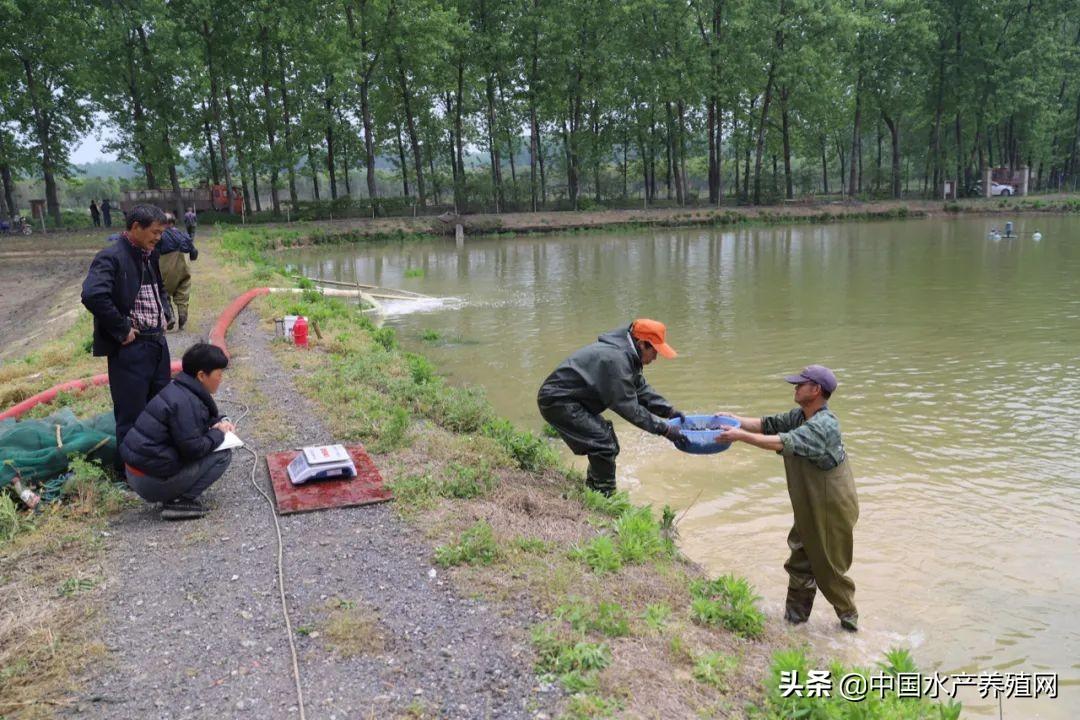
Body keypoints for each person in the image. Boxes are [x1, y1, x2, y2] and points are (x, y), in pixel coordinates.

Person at [715, 364, 860, 632]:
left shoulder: (824, 426)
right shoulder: (800, 416)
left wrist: (740, 436)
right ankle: (795, 624)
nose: (795, 387)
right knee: (800, 562)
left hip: (831, 508)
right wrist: (735, 420)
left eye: (800, 384)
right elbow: (767, 425)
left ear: (815, 390)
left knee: (829, 570)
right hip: (810, 505)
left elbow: (782, 442)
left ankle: (850, 626)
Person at [537, 319, 687, 496]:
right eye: (654, 351)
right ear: (641, 344)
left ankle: (593, 490)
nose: (655, 357)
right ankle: (605, 496)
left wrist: (669, 411)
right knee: (604, 444)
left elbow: (640, 388)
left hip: (572, 399)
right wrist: (665, 430)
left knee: (606, 440)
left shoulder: (627, 354)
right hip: (558, 401)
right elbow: (629, 408)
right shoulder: (617, 361)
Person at [81, 204, 173, 474]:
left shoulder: (149, 255)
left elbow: (160, 288)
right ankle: (129, 473)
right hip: (132, 349)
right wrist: (122, 329)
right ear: (135, 227)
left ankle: (154, 464)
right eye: (154, 232)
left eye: (161, 232)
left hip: (157, 345)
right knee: (132, 414)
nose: (158, 237)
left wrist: (165, 311)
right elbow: (93, 295)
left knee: (160, 408)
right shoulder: (112, 257)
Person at [121, 343, 234, 520]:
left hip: (137, 472)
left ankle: (174, 493)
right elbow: (194, 449)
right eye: (219, 374)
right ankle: (179, 502)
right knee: (223, 455)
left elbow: (200, 422)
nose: (221, 379)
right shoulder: (185, 403)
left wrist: (221, 422)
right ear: (201, 375)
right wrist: (219, 434)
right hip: (148, 481)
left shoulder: (179, 389)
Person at [158, 212, 199, 331]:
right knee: (183, 292)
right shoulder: (184, 235)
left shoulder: (159, 236)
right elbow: (194, 254)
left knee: (162, 291)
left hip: (166, 268)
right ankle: (182, 315)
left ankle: (169, 315)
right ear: (173, 222)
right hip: (184, 268)